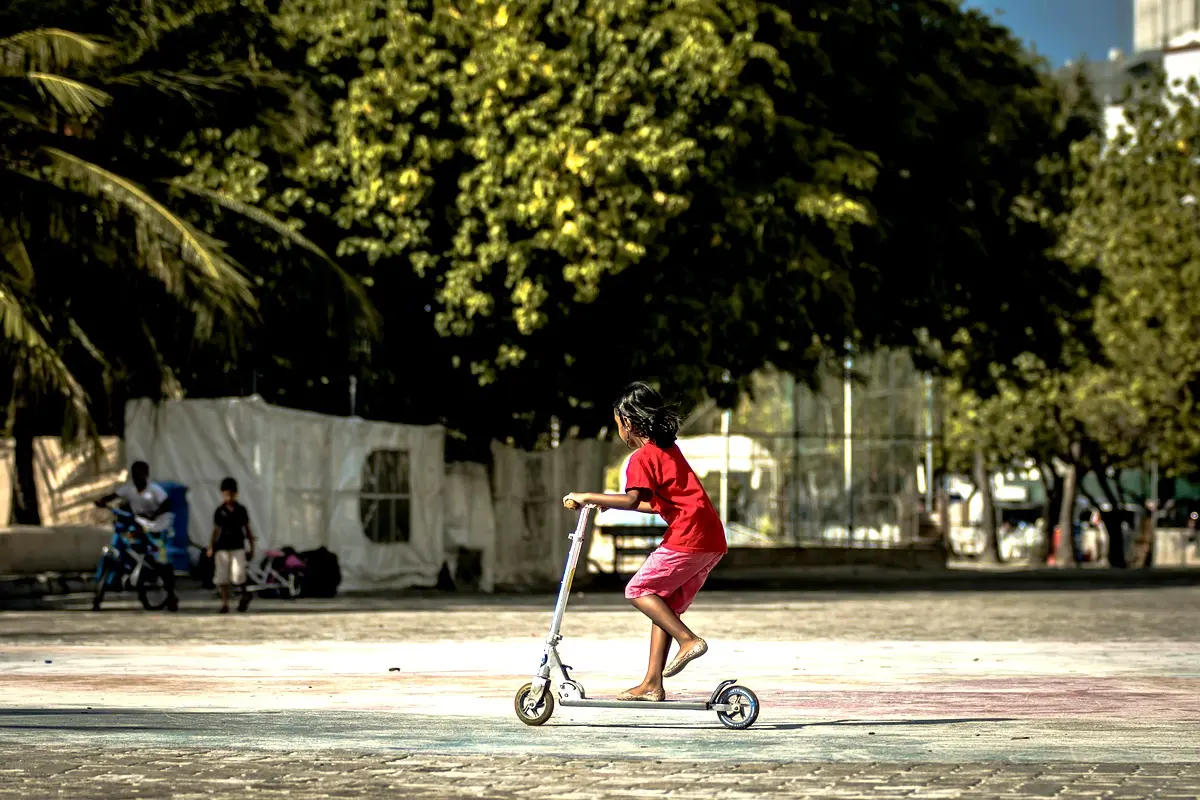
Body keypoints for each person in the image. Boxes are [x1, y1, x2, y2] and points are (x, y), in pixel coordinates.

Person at [563, 381, 727, 702]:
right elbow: (654, 503)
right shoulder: (668, 450)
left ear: (627, 422)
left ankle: (688, 640)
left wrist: (587, 496)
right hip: (711, 538)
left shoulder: (642, 457)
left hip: (688, 535)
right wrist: (607, 502)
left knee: (638, 590)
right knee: (662, 604)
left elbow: (631, 499)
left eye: (617, 424)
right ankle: (652, 683)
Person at [95, 460, 179, 611]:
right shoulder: (129, 489)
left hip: (158, 526)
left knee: (160, 558)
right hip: (140, 524)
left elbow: (167, 505)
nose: (137, 478)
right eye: (134, 475)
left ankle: (171, 593)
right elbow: (113, 496)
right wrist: (102, 501)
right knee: (130, 540)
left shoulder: (155, 491)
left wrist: (154, 515)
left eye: (140, 474)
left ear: (146, 475)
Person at [208, 477, 256, 613]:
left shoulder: (241, 510)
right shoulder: (219, 511)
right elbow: (216, 530)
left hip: (237, 546)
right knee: (222, 577)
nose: (228, 497)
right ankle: (225, 604)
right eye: (226, 494)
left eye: (231, 494)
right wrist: (211, 546)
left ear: (235, 494)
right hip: (222, 547)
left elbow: (247, 529)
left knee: (238, 575)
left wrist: (251, 547)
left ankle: (245, 594)